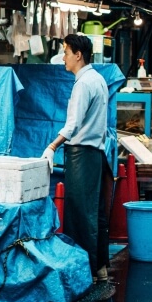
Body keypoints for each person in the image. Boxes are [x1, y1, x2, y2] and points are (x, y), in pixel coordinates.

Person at [42, 33, 112, 284]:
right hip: (96, 154)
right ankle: (100, 267)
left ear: (78, 55)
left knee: (80, 213)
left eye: (66, 52)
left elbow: (73, 124)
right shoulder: (98, 79)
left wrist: (52, 145)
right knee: (95, 213)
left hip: (82, 154)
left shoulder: (84, 83)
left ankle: (85, 272)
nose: (63, 57)